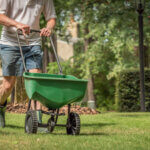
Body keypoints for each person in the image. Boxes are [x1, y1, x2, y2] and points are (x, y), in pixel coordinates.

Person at [0, 0, 56, 127]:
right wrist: (16, 24)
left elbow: (51, 17)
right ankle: (1, 106)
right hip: (10, 43)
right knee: (8, 85)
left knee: (35, 82)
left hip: (33, 43)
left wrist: (48, 28)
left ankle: (36, 121)